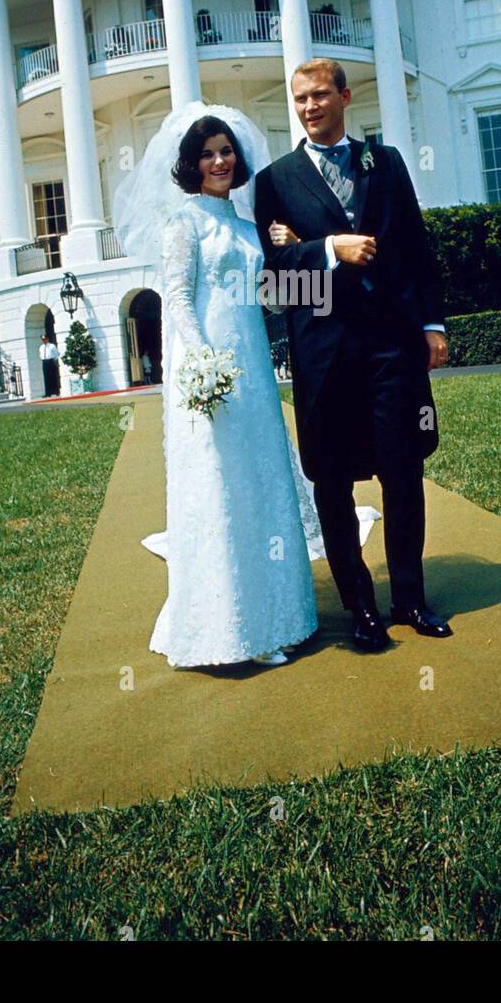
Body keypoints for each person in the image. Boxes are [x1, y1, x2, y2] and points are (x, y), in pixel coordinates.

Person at [113, 104, 381, 669]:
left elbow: (273, 296)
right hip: (210, 365)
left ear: (237, 160)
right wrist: (202, 362)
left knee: (260, 479)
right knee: (221, 483)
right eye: (208, 154)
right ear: (192, 163)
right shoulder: (182, 224)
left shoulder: (247, 225)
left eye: (226, 152)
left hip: (254, 366)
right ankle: (228, 625)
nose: (218, 161)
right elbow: (178, 299)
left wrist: (294, 244)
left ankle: (278, 615)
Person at [254, 58, 453, 652]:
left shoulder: (386, 163)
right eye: (300, 100)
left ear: (344, 96)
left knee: (403, 471)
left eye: (319, 96)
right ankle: (362, 610)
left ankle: (411, 600)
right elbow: (273, 285)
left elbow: (415, 248)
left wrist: (432, 323)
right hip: (324, 356)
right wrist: (327, 251)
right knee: (332, 481)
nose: (310, 107)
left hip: (393, 347)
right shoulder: (274, 181)